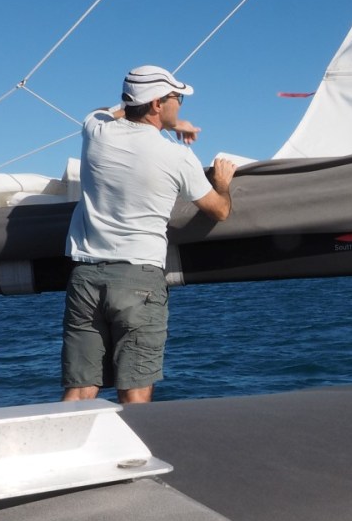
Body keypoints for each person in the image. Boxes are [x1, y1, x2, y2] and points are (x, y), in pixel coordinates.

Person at [61, 64, 236, 404]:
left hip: (85, 278)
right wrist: (223, 183)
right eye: (177, 98)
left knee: (80, 390)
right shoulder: (177, 156)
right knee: (135, 393)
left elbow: (105, 111)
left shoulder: (96, 131)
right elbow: (219, 211)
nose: (180, 105)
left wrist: (160, 117)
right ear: (157, 103)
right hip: (138, 280)